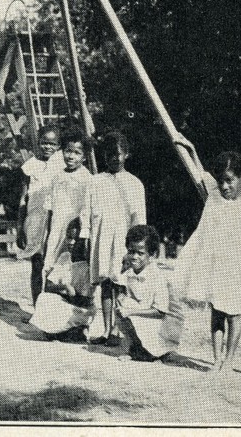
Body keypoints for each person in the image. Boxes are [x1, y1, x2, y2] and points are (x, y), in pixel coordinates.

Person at [175, 138, 241, 372]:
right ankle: (216, 360)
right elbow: (200, 172)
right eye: (221, 181)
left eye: (229, 181)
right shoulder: (214, 196)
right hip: (215, 263)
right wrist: (191, 148)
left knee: (233, 313)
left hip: (237, 266)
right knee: (217, 311)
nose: (224, 186)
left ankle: (230, 359)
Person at [85, 131, 146, 346]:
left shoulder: (134, 184)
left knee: (121, 284)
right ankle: (107, 329)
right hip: (102, 239)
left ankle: (121, 332)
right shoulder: (95, 181)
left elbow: (139, 219)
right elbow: (87, 213)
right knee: (106, 284)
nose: (114, 158)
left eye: (118, 154)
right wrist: (86, 238)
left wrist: (136, 247)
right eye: (110, 154)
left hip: (123, 241)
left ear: (126, 155)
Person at [42, 125, 93, 304]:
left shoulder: (87, 179)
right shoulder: (56, 177)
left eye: (76, 153)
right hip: (56, 232)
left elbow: (87, 210)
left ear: (84, 156)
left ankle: (73, 319)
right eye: (67, 151)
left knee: (73, 274)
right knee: (51, 272)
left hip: (74, 235)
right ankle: (51, 320)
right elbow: (50, 209)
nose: (71, 156)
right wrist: (46, 235)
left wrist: (82, 237)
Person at [16, 124, 64, 305]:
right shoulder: (29, 166)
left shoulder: (62, 165)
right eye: (44, 143)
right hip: (35, 221)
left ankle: (51, 308)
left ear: (58, 146)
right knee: (37, 264)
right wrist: (20, 228)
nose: (48, 147)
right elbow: (23, 199)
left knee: (53, 265)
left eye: (52, 144)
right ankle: (37, 307)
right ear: (38, 143)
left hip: (56, 221)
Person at [116, 225, 179, 362]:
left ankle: (154, 351)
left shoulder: (157, 276)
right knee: (122, 303)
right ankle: (135, 348)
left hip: (158, 322)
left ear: (152, 254)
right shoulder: (129, 272)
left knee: (127, 307)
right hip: (140, 316)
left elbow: (161, 311)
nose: (134, 257)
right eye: (131, 252)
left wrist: (131, 311)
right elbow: (122, 291)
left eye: (140, 253)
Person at [31, 218, 96, 342]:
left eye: (75, 239)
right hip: (66, 301)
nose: (71, 242)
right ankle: (65, 332)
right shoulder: (64, 257)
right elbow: (48, 287)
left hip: (80, 307)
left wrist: (71, 294)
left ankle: (77, 328)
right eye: (68, 237)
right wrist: (65, 287)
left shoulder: (88, 266)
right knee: (44, 298)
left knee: (65, 312)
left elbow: (86, 300)